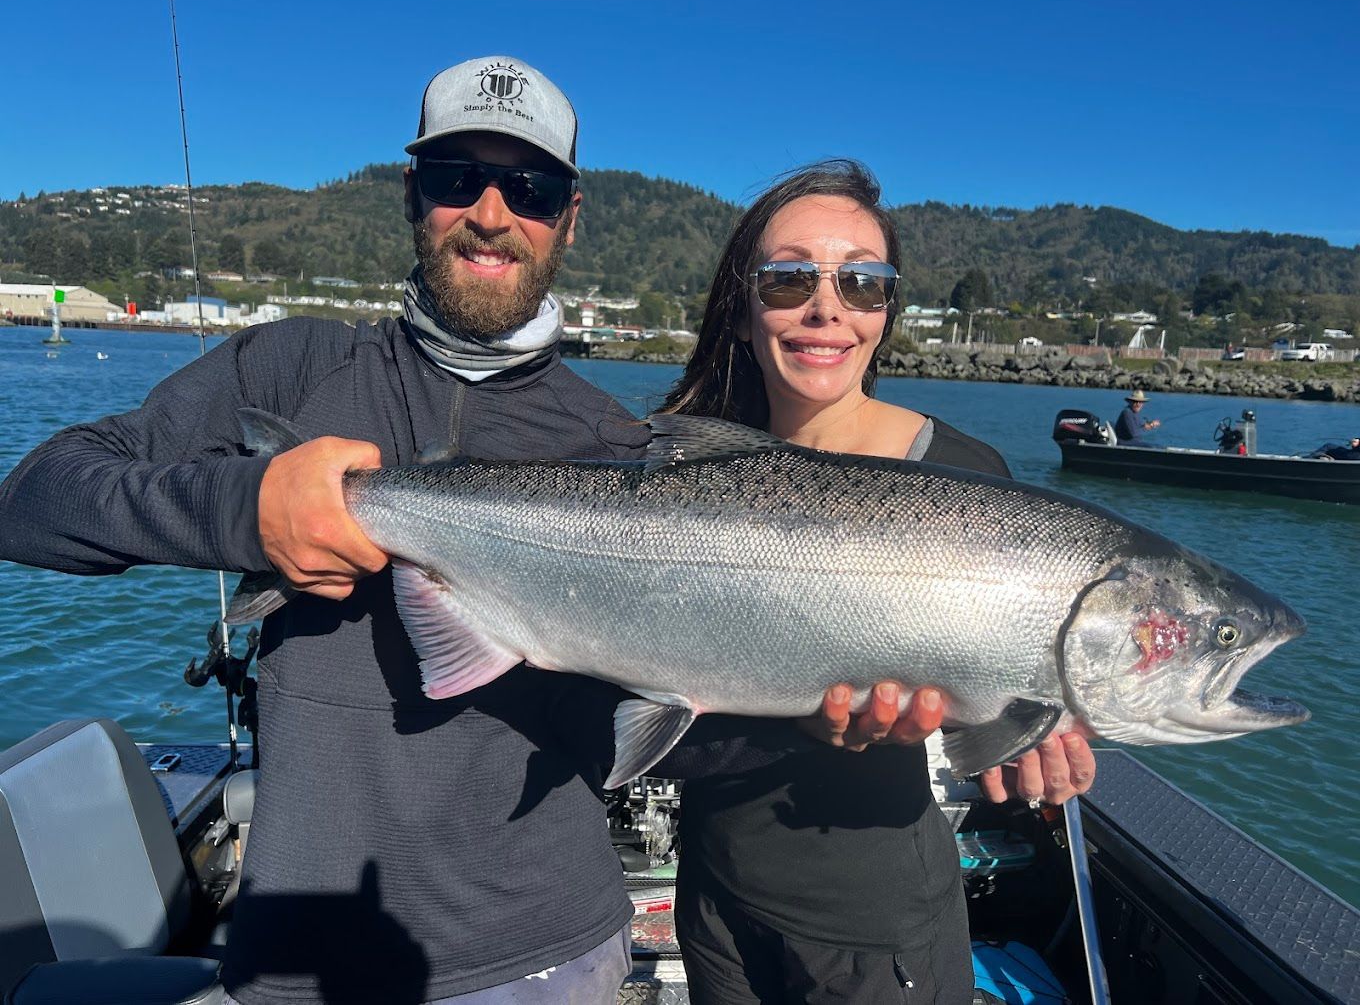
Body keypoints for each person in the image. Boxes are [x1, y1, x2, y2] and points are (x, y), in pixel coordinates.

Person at [0, 55, 652, 1005]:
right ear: (411, 194)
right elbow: (35, 500)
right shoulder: (291, 367)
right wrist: (242, 508)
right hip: (298, 960)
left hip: (550, 954)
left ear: (569, 215)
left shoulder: (621, 445)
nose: (492, 213)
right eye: (455, 177)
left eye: (531, 187)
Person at [658, 161, 1096, 1004]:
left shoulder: (968, 483)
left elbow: (1020, 680)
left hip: (873, 923)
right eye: (789, 279)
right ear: (743, 309)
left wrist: (1044, 733)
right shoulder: (687, 465)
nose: (827, 307)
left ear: (886, 311)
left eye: (863, 282)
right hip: (713, 895)